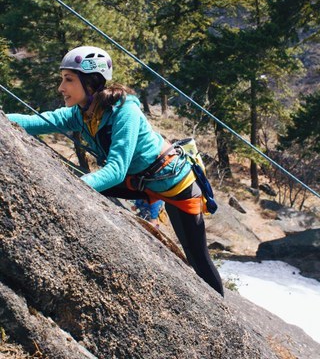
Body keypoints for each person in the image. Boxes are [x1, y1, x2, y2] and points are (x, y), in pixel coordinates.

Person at [6, 46, 224, 297]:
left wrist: (69, 191)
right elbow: (38, 121)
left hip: (175, 184)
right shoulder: (84, 112)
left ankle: (227, 316)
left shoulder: (125, 112)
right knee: (78, 180)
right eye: (62, 79)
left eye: (68, 79)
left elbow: (116, 171)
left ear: (92, 82)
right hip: (141, 181)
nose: (61, 87)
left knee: (197, 257)